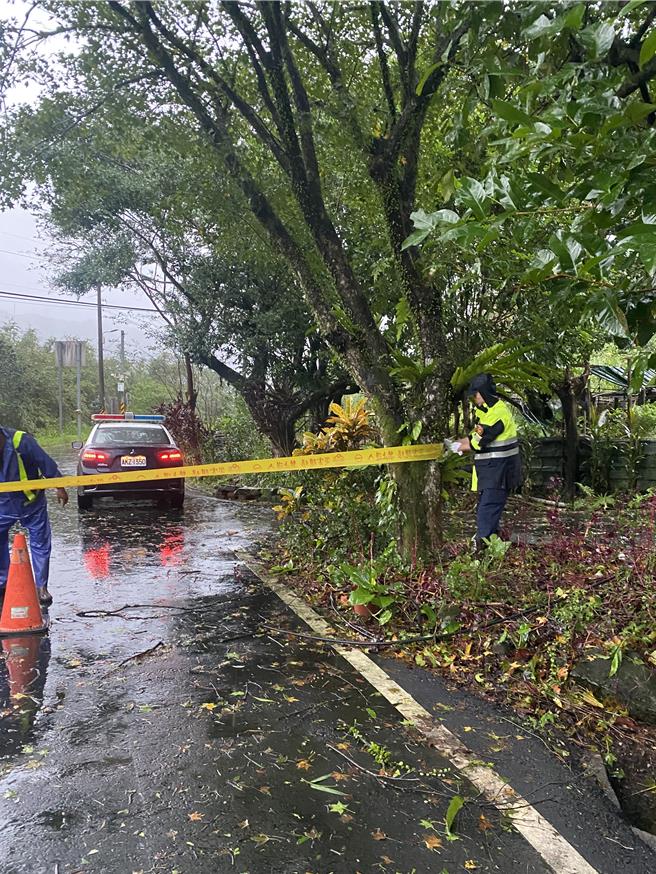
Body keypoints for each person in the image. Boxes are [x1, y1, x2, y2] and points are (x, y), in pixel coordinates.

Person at [0, 426, 68, 606]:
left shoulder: (21, 441)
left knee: (40, 542)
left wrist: (60, 487)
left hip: (31, 502)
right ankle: (3, 583)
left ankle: (41, 587)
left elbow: (45, 462)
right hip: (2, 505)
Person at [454, 374, 522, 548]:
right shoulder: (489, 411)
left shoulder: (496, 415)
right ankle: (492, 544)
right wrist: (461, 442)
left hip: (499, 472)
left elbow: (478, 442)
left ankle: (482, 547)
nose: (474, 398)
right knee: (488, 509)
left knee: (487, 510)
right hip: (493, 472)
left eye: (475, 394)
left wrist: (457, 446)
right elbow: (475, 436)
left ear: (483, 393)